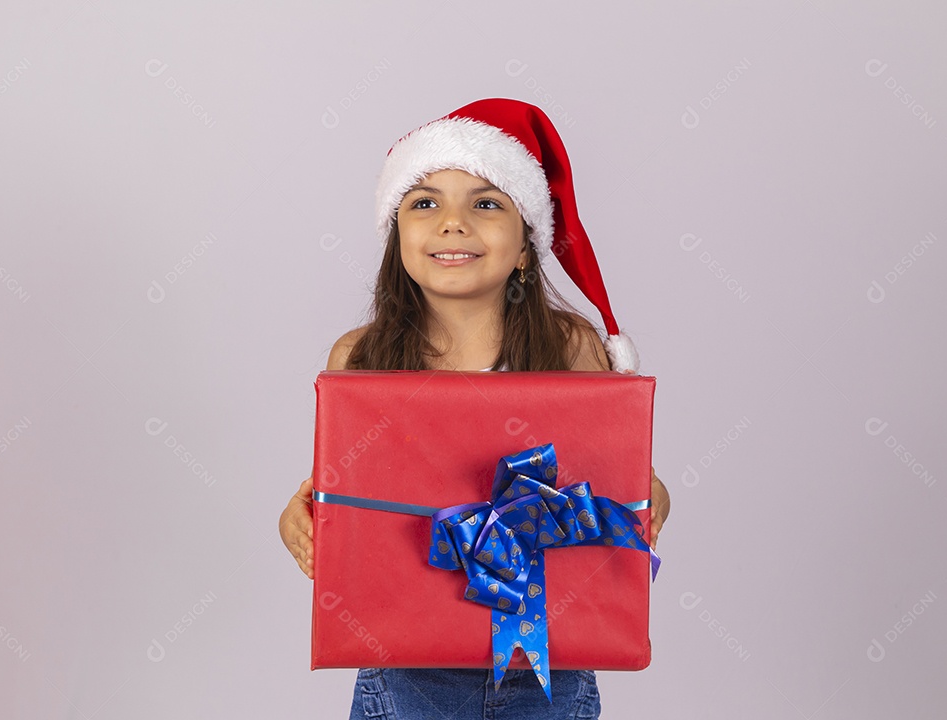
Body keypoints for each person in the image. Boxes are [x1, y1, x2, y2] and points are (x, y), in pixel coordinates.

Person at [279, 98, 671, 719]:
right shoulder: (361, 355)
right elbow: (341, 498)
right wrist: (297, 522)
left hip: (550, 665)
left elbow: (628, 490)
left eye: (486, 203)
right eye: (425, 202)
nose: (452, 223)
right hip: (404, 670)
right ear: (397, 237)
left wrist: (644, 504)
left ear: (524, 247)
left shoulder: (569, 347)